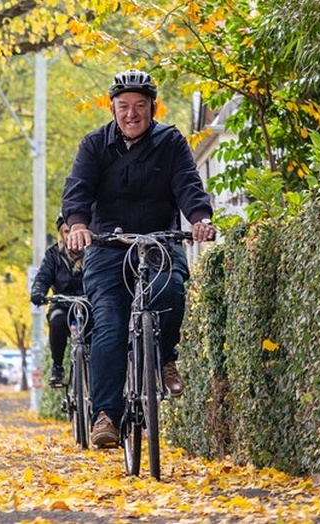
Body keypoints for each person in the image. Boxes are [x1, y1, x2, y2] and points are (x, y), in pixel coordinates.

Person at [61, 69, 215, 449]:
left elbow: (188, 184)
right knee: (109, 325)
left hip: (159, 240)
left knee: (171, 291)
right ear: (113, 109)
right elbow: (78, 190)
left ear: (153, 108)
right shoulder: (94, 145)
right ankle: (106, 416)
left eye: (140, 106)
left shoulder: (171, 141)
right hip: (108, 246)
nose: (132, 114)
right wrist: (78, 225)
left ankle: (164, 358)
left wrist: (200, 219)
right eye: (124, 106)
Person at [30, 213, 85, 388]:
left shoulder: (94, 253)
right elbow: (43, 277)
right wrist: (38, 291)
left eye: (73, 231)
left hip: (89, 304)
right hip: (63, 304)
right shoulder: (53, 255)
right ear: (61, 234)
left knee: (102, 326)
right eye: (66, 231)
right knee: (57, 321)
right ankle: (58, 367)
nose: (70, 235)